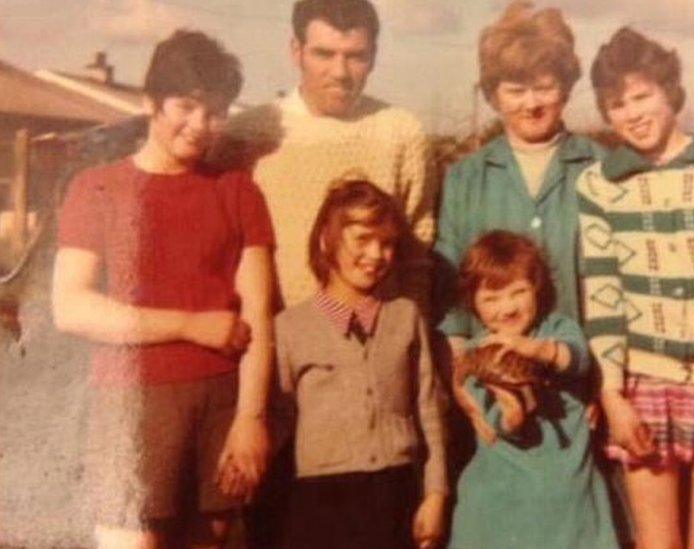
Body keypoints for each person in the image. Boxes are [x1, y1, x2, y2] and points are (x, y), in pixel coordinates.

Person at [51, 30, 274, 548]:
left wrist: (250, 418)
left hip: (221, 403)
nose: (200, 126)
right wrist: (190, 324)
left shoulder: (236, 190)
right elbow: (71, 308)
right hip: (130, 405)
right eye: (186, 106)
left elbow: (258, 314)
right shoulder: (98, 187)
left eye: (215, 111)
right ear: (152, 101)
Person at [578, 27, 694, 549]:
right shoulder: (600, 184)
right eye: (616, 104)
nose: (632, 113)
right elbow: (603, 296)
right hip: (644, 383)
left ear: (670, 92)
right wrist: (612, 393)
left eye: (642, 96)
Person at [215, 0, 436, 311]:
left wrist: (410, 338)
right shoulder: (246, 135)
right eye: (324, 54)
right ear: (296, 51)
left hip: (375, 345)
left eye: (355, 56)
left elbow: (418, 258)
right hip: (271, 337)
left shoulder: (402, 133)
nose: (340, 72)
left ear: (373, 56)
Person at [274, 179, 448, 549]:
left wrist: (435, 495)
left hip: (396, 493)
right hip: (321, 502)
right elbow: (280, 421)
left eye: (387, 244)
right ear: (327, 240)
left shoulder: (405, 317)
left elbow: (428, 410)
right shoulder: (291, 327)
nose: (376, 254)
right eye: (363, 239)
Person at [434, 0, 602, 352]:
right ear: (493, 96)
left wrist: (603, 388)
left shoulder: (600, 168)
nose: (531, 104)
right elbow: (451, 294)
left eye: (544, 87)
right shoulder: (464, 179)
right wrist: (463, 378)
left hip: (580, 379)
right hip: (491, 383)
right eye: (516, 90)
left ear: (566, 87)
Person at [448, 230, 617, 549]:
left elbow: (577, 359)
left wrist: (537, 350)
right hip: (505, 500)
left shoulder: (558, 329)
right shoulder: (477, 352)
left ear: (537, 288)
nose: (507, 308)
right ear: (473, 303)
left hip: (567, 498)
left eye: (518, 292)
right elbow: (493, 425)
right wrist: (510, 413)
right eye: (491, 299)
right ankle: (515, 403)